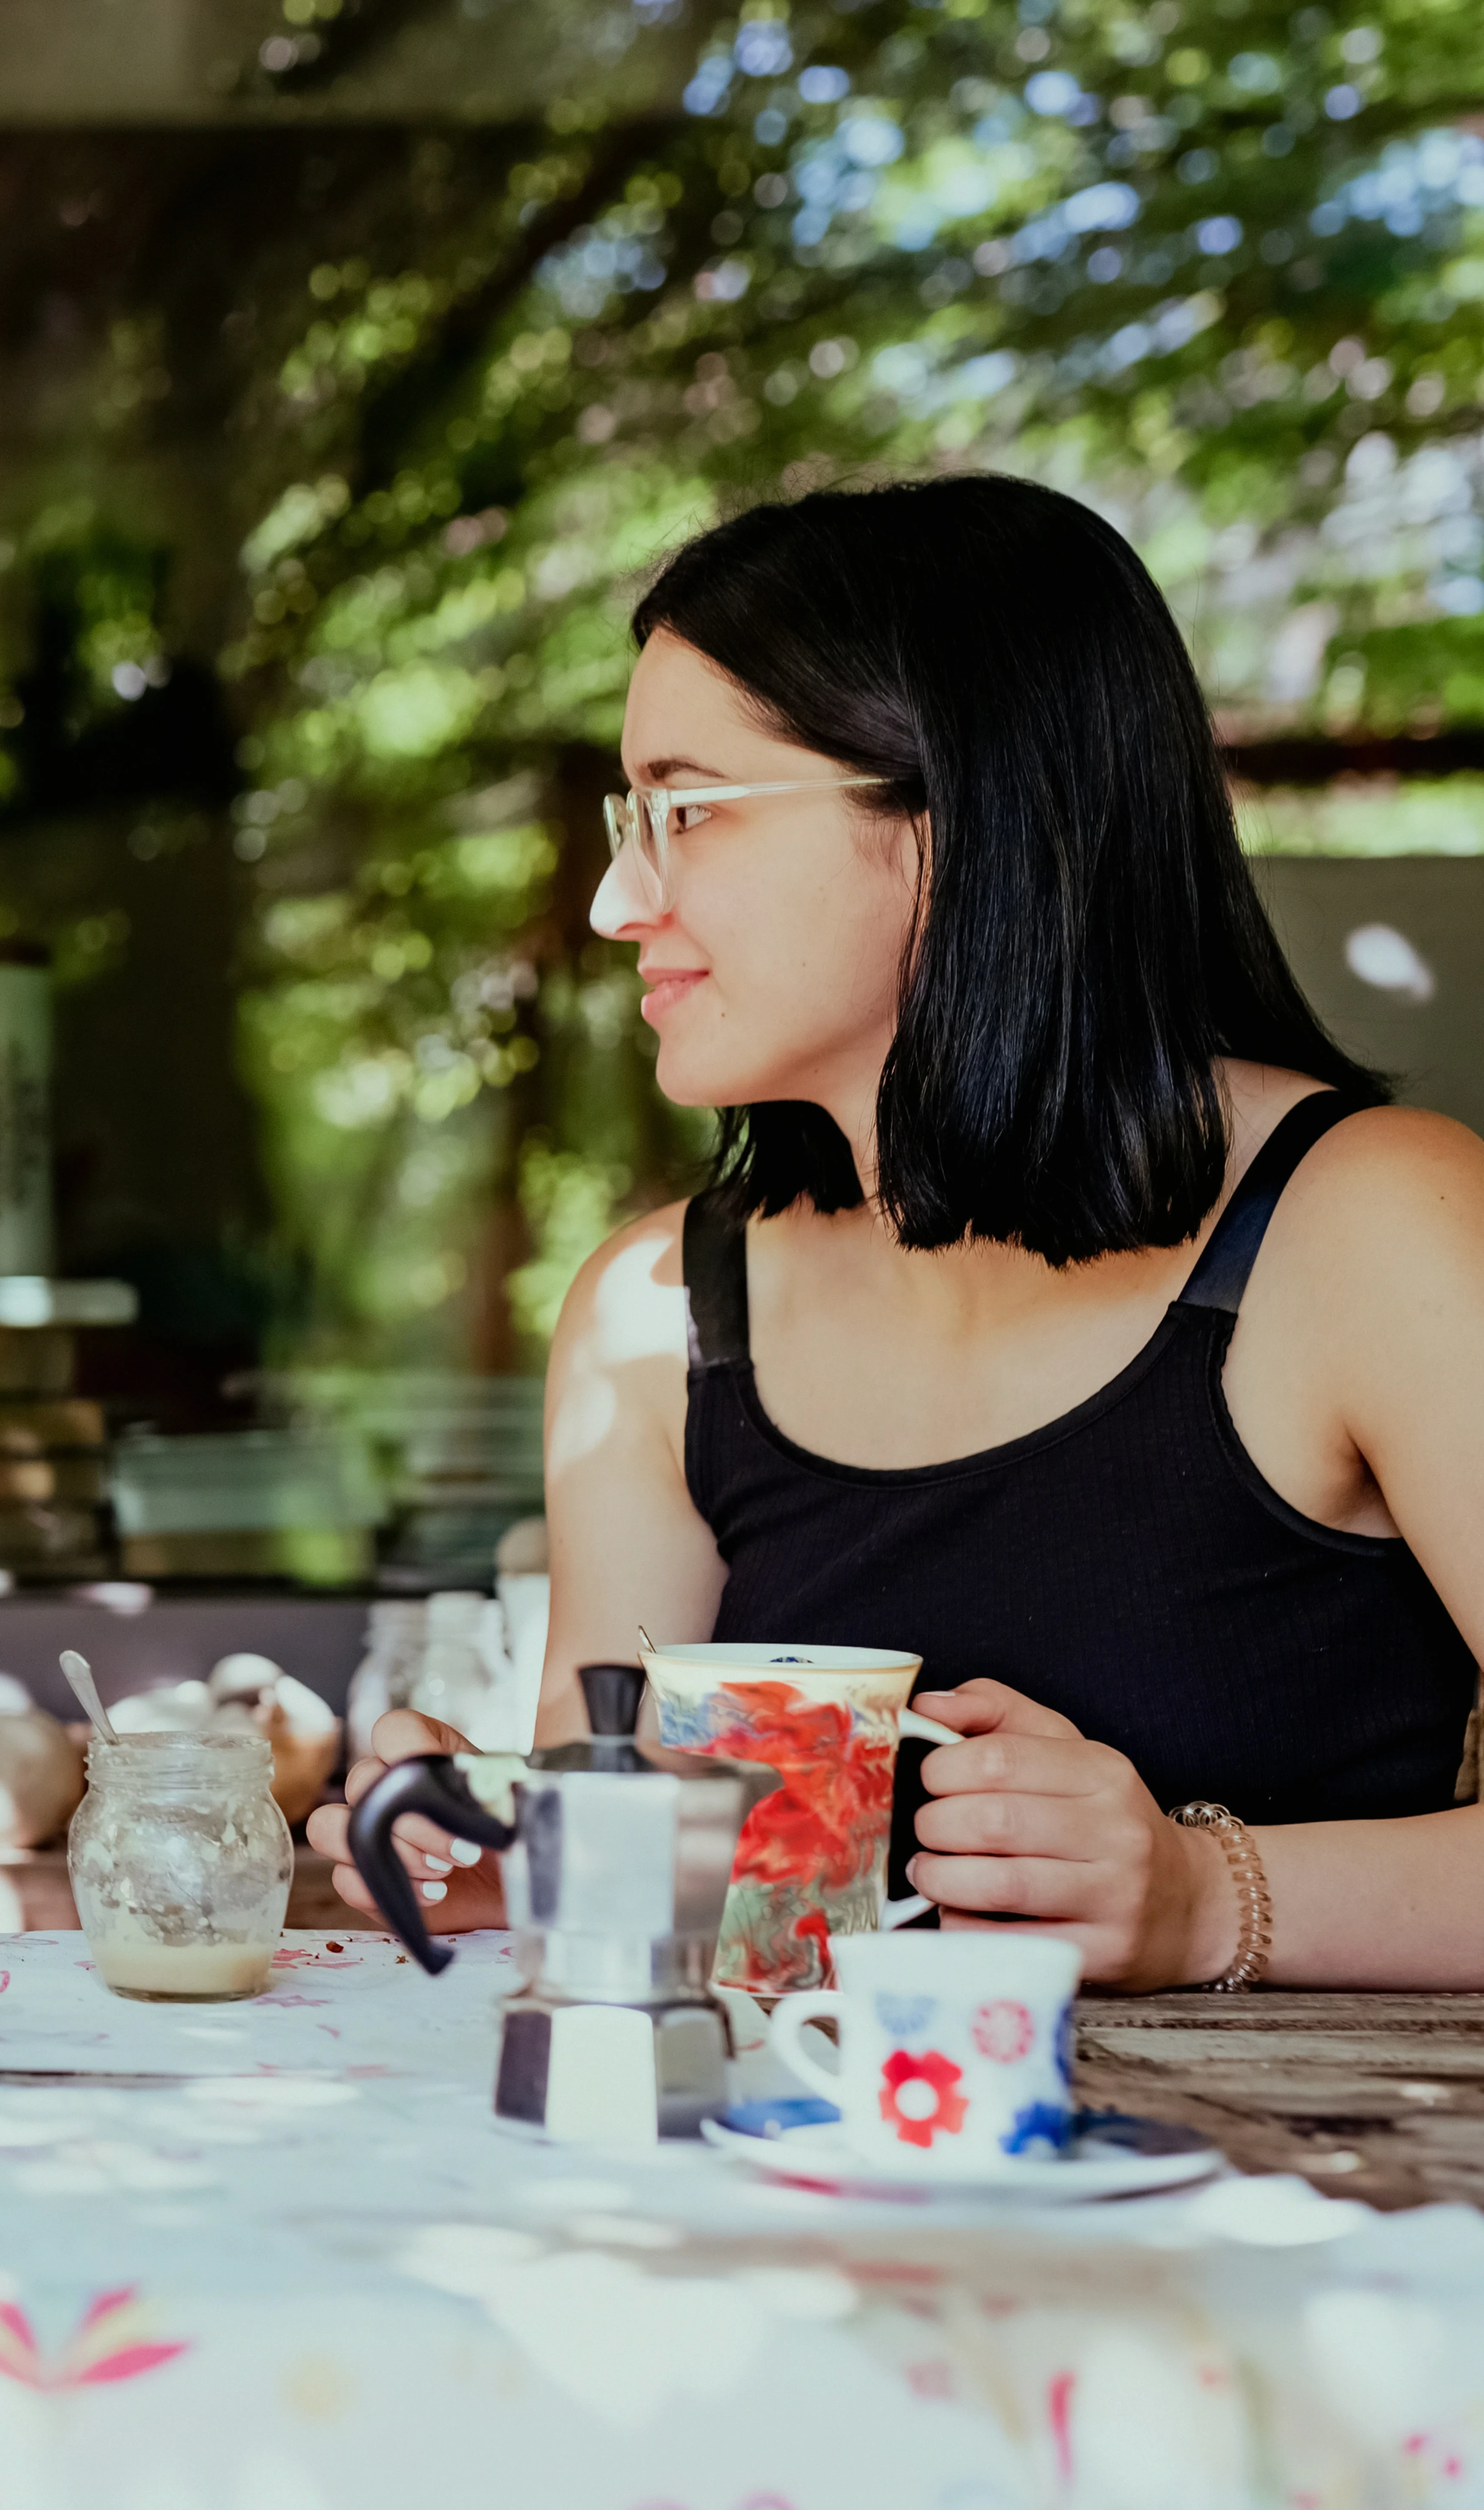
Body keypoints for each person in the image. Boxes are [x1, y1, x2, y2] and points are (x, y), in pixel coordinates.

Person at [306, 473, 1484, 1990]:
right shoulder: (657, 1315)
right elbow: (660, 1898)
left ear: (960, 815)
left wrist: (1207, 1900)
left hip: (1303, 2197)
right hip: (787, 2199)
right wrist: (502, 1859)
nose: (615, 899)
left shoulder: (1372, 1227)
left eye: (691, 810)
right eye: (630, 815)